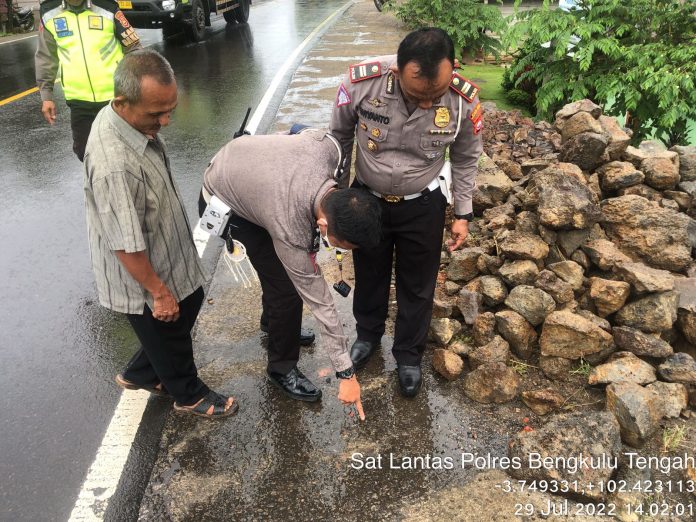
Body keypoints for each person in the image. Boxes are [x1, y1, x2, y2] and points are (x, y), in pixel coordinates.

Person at [329, 27, 483, 397]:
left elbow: (465, 157)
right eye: (418, 94)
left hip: (424, 204)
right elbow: (338, 139)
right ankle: (367, 335)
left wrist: (463, 213)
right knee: (370, 272)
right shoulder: (361, 83)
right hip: (368, 200)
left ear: (454, 69)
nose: (428, 104)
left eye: (436, 94)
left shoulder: (463, 99)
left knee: (419, 283)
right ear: (397, 72)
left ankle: (408, 355)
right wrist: (333, 197)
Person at [83, 50, 237, 419]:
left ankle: (140, 372)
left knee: (190, 302)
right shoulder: (113, 163)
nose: (166, 121)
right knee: (170, 325)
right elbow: (124, 242)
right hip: (143, 269)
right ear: (122, 102)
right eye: (156, 114)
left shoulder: (133, 123)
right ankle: (188, 393)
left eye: (171, 109)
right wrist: (159, 291)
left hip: (164, 248)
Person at [201, 128, 382, 419]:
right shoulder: (291, 227)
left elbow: (298, 130)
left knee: (277, 279)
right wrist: (346, 374)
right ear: (322, 225)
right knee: (286, 289)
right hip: (224, 200)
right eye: (340, 245)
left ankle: (271, 323)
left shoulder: (331, 149)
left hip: (246, 169)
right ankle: (281, 368)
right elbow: (322, 304)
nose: (341, 251)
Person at [36, 0, 142, 162]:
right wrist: (46, 97)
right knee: (85, 152)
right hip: (78, 101)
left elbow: (133, 47)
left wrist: (135, 87)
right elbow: (46, 57)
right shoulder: (49, 12)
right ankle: (101, 185)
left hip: (116, 98)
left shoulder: (107, 6)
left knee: (124, 151)